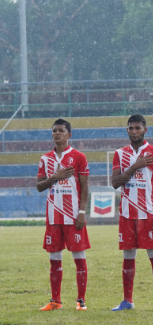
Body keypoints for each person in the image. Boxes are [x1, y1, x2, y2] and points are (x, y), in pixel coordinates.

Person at [110, 114, 153, 311]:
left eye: (138, 128)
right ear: (127, 130)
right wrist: (136, 166)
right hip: (127, 214)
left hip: (149, 213)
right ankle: (127, 301)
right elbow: (115, 183)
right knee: (128, 256)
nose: (134, 131)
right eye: (131, 128)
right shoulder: (119, 154)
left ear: (145, 130)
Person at [36, 119, 90, 311]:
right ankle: (55, 301)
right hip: (53, 217)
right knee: (54, 259)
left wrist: (82, 212)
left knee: (79, 258)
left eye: (60, 130)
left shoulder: (78, 157)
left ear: (69, 134)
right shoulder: (45, 159)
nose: (56, 133)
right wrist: (55, 177)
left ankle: (81, 301)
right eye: (54, 131)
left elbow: (84, 187)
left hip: (73, 216)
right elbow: (39, 187)